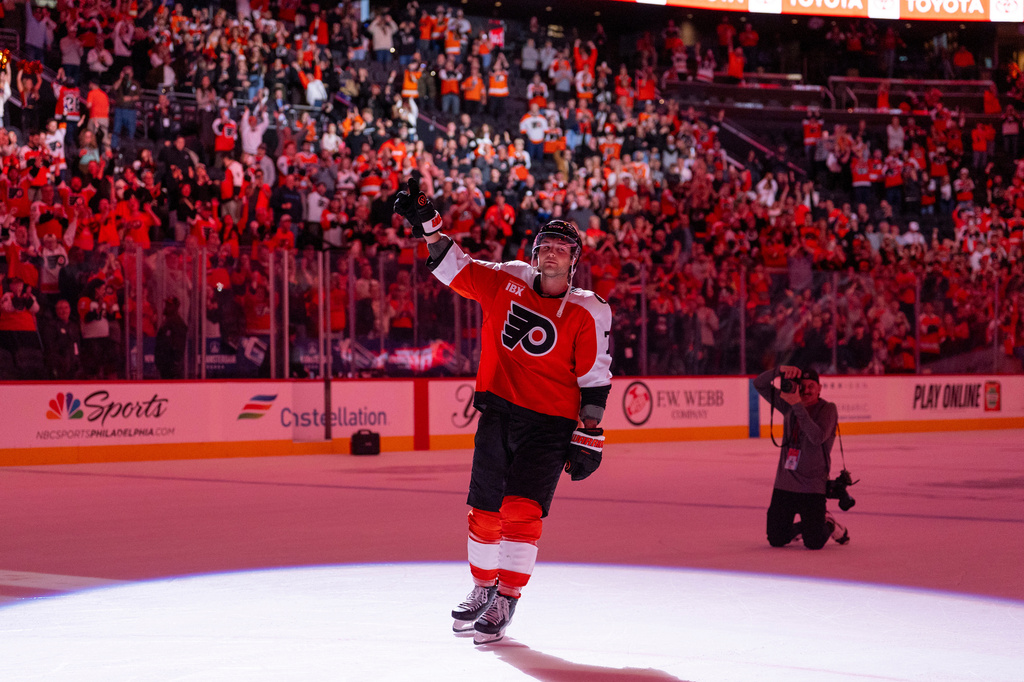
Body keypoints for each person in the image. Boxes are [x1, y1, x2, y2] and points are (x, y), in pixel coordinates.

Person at [394, 177, 612, 645]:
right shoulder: (508, 278)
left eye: (561, 247)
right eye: (545, 245)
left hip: (550, 424)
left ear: (574, 260)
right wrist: (428, 223)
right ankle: (482, 588)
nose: (551, 253)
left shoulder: (589, 310)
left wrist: (590, 432)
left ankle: (507, 597)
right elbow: (458, 267)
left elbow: (595, 375)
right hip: (498, 412)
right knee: (484, 511)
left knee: (521, 510)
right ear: (535, 253)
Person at [752, 365, 849, 549]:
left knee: (814, 543)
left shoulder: (827, 409)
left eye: (811, 386)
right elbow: (759, 384)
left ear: (819, 388)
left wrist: (796, 404)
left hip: (812, 486)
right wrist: (780, 370)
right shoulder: (788, 404)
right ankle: (802, 528)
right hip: (785, 484)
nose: (806, 390)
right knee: (776, 539)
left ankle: (828, 523)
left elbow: (817, 437)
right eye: (802, 386)